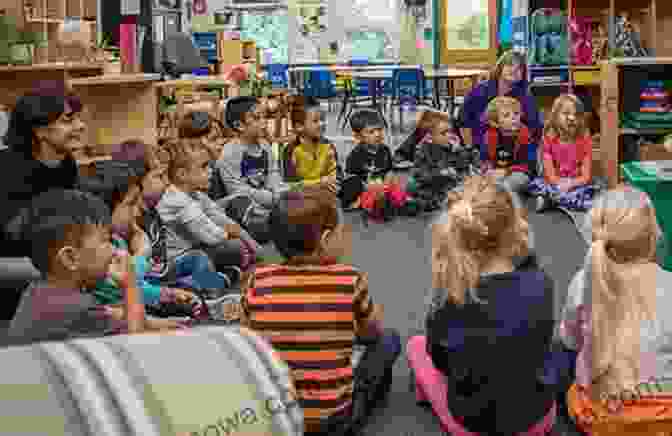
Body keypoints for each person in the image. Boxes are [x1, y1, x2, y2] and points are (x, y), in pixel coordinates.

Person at [239, 187, 401, 435]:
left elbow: (247, 339)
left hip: (278, 417)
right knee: (389, 340)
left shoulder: (257, 280)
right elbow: (372, 333)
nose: (346, 237)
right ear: (325, 241)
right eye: (342, 232)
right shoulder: (350, 279)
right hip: (332, 419)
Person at [406, 175, 557, 435]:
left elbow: (442, 362)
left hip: (473, 423)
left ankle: (425, 396)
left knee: (416, 346)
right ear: (513, 226)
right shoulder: (542, 282)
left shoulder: (451, 298)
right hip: (537, 417)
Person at [4, 190, 184, 346]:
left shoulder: (40, 292)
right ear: (70, 258)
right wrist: (130, 286)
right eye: (106, 241)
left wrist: (161, 324)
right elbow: (137, 345)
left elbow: (110, 313)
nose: (114, 250)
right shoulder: (76, 309)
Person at [560, 186, 672, 433]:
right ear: (654, 237)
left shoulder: (582, 282)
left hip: (599, 416)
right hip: (663, 419)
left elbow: (569, 340)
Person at [0, 81, 86, 258]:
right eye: (68, 119)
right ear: (39, 130)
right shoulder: (7, 171)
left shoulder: (66, 163)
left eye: (78, 117)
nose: (81, 126)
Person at [156, 141, 263, 276]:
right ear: (182, 174)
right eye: (204, 167)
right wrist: (237, 235)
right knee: (235, 247)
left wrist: (248, 240)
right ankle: (228, 271)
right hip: (180, 258)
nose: (211, 170)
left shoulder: (196, 194)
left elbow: (219, 217)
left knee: (241, 235)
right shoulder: (178, 201)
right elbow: (213, 237)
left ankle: (230, 267)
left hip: (198, 246)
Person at [458, 51, 543, 158]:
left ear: (523, 74)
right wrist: (469, 149)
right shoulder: (480, 90)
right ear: (500, 67)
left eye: (519, 68)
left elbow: (535, 130)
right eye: (510, 65)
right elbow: (463, 121)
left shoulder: (526, 98)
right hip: (478, 150)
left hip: (514, 154)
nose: (514, 70)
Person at [528, 94, 595, 212]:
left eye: (576, 114)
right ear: (555, 117)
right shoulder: (548, 139)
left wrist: (571, 183)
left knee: (588, 189)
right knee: (540, 185)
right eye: (566, 113)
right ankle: (571, 202)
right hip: (554, 182)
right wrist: (559, 184)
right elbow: (549, 174)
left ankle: (552, 201)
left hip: (576, 184)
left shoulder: (584, 139)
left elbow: (586, 176)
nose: (572, 118)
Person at [407, 111, 480, 211]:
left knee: (466, 183)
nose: (449, 135)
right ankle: (427, 202)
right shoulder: (423, 150)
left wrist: (470, 156)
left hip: (449, 184)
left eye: (450, 131)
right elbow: (420, 174)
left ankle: (442, 201)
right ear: (430, 136)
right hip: (430, 184)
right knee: (412, 185)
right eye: (443, 133)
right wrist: (441, 173)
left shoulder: (454, 148)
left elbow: (464, 165)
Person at [215, 96, 276, 206]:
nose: (264, 122)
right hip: (246, 210)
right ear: (239, 125)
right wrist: (271, 198)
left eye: (265, 117)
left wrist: (280, 191)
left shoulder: (265, 146)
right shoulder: (230, 153)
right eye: (257, 118)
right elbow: (237, 190)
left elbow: (273, 174)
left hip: (271, 200)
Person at [285, 97, 342, 194]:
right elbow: (291, 185)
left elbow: (337, 174)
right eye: (315, 121)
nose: (322, 124)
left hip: (326, 194)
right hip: (302, 197)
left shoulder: (328, 146)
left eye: (323, 119)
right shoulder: (291, 150)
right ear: (299, 126)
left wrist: (332, 181)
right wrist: (318, 183)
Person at [483, 96, 533, 202]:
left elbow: (528, 165)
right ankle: (494, 194)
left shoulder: (525, 136)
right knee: (482, 178)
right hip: (496, 172)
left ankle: (500, 195)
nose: (514, 118)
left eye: (516, 114)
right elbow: (485, 158)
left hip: (517, 173)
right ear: (495, 122)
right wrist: (488, 169)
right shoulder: (489, 136)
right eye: (507, 115)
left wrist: (506, 171)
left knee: (517, 180)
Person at [341, 109, 393, 208]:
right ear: (358, 136)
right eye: (371, 132)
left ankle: (378, 202)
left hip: (381, 186)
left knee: (397, 190)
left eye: (380, 129)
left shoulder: (385, 150)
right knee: (350, 186)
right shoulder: (355, 155)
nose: (377, 134)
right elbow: (350, 178)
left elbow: (389, 171)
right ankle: (362, 202)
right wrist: (367, 186)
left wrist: (386, 184)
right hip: (364, 188)